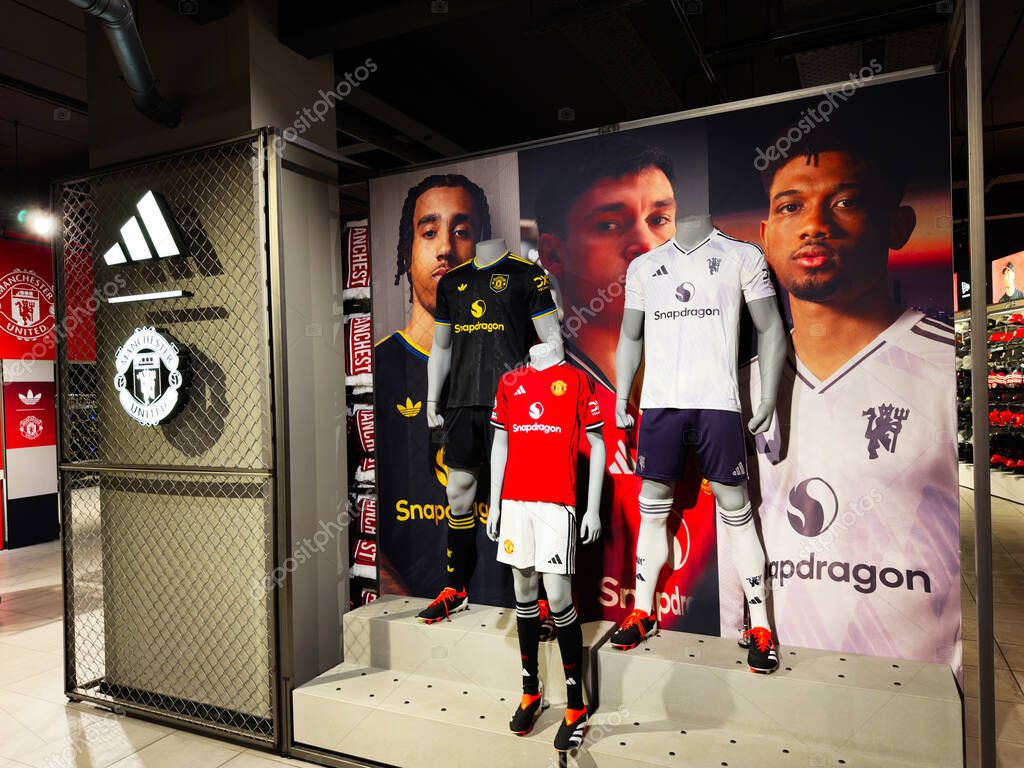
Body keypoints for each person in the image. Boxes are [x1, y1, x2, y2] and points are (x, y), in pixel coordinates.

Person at [730, 125, 961, 674]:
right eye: (790, 207)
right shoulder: (737, 386)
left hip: (913, 700)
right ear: (766, 235)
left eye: (847, 201)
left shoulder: (944, 366)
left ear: (897, 225)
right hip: (767, 681)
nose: (814, 225)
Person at [487, 342, 605, 752]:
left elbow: (599, 443)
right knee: (523, 590)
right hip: (516, 503)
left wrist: (592, 508)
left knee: (557, 595)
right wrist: (497, 503)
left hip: (558, 503)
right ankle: (530, 692)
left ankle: (576, 706)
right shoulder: (510, 382)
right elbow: (500, 443)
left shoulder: (576, 379)